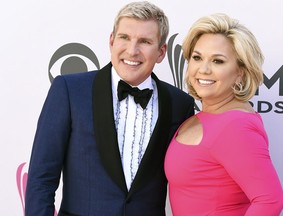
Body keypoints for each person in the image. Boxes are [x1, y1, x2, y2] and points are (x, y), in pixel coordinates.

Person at [25, 1, 195, 216]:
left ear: (161, 52)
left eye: (144, 41)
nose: (132, 51)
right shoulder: (69, 90)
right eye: (124, 38)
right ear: (112, 41)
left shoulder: (180, 103)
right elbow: (41, 178)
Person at [164, 13, 283, 215]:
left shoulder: (235, 126)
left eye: (218, 61)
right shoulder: (202, 117)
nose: (203, 69)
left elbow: (270, 201)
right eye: (197, 57)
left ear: (240, 72)